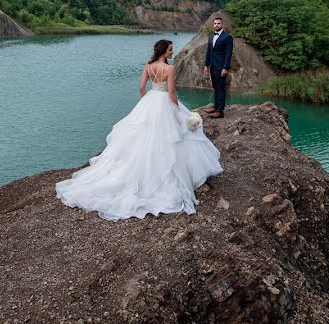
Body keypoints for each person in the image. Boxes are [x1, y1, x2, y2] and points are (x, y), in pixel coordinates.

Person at [55, 39, 222, 221]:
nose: (172, 52)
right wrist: (176, 110)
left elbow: (142, 87)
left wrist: (148, 102)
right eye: (170, 50)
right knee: (170, 139)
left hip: (150, 101)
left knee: (145, 138)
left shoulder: (148, 66)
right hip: (165, 102)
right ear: (163, 51)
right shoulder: (170, 69)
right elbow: (172, 92)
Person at [203, 16, 233, 118]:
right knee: (215, 87)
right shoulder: (211, 36)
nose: (216, 25)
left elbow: (229, 54)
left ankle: (220, 111)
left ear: (222, 24)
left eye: (218, 23)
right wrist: (206, 65)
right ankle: (215, 107)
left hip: (221, 67)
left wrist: (225, 68)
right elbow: (208, 52)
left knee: (221, 88)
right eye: (215, 24)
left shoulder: (227, 37)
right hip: (212, 66)